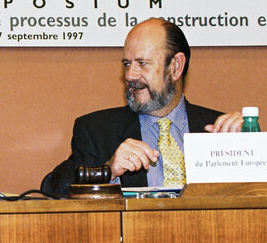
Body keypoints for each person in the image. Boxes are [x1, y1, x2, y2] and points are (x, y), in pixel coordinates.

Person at [41, 18, 242, 196]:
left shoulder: (218, 131)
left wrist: (250, 146)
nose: (130, 75)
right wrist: (108, 172)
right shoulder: (97, 130)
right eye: (127, 64)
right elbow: (53, 189)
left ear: (176, 66)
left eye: (142, 63)